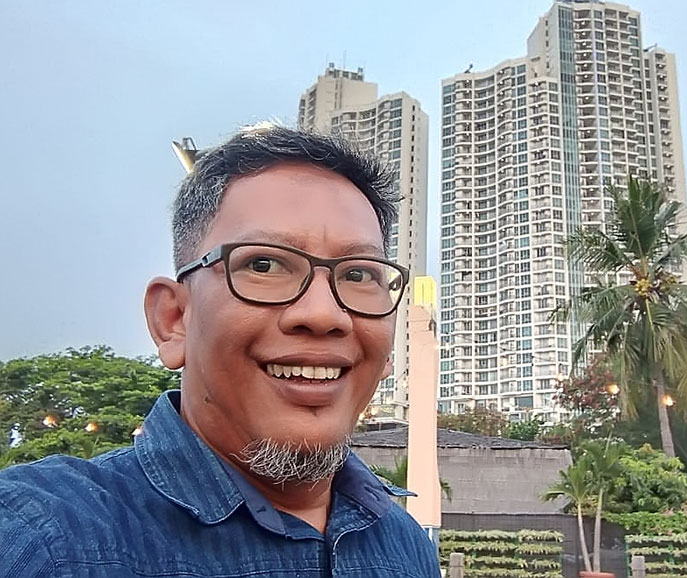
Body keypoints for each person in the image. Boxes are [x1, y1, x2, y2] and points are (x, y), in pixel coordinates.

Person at [0, 125, 441, 577]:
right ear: (174, 319)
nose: (324, 314)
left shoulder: (405, 545)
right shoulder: (42, 542)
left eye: (359, 275)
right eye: (264, 264)